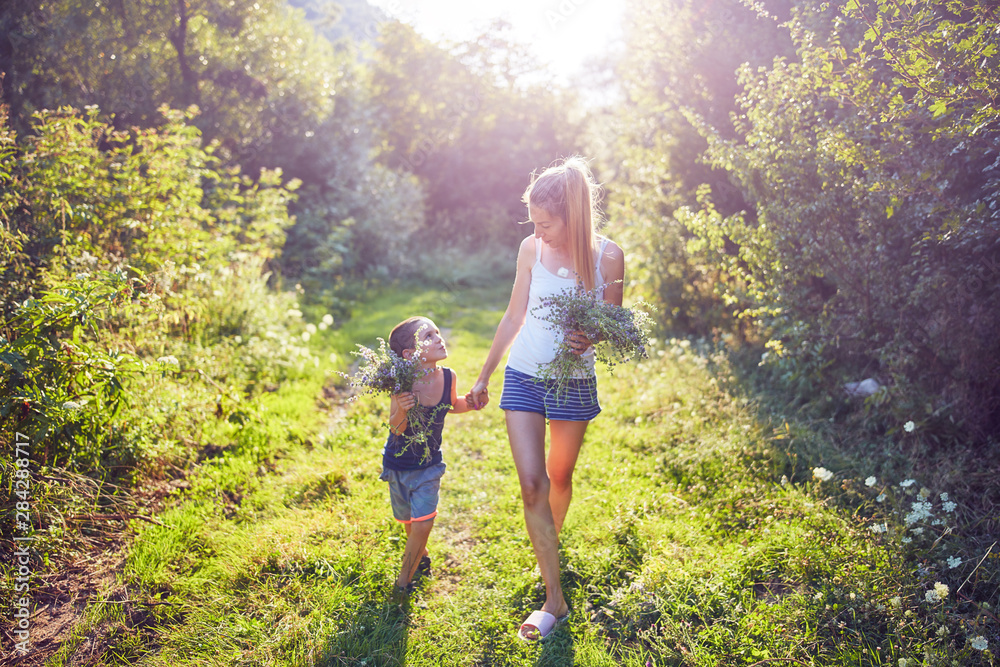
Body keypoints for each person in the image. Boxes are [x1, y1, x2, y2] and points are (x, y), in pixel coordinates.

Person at [468, 157, 625, 641]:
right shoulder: (531, 248)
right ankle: (554, 596)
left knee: (559, 477)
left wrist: (592, 336)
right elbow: (514, 316)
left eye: (546, 224)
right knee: (532, 485)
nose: (538, 232)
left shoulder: (608, 258)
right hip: (523, 375)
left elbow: (614, 322)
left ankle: (547, 551)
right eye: (534, 223)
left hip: (573, 383)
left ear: (573, 216)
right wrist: (484, 375)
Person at [381, 316, 476, 599]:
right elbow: (396, 428)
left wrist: (470, 403)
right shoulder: (402, 384)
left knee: (423, 523)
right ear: (409, 354)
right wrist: (401, 408)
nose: (438, 338)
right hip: (398, 464)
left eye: (437, 332)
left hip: (429, 464)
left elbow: (452, 404)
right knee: (409, 523)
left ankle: (402, 584)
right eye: (429, 337)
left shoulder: (448, 377)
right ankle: (420, 555)